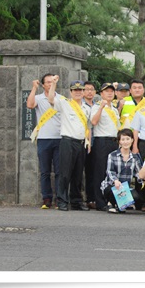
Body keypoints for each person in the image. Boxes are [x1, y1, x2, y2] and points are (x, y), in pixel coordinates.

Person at [46, 76, 92, 211]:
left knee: (78, 174)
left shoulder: (87, 108)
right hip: (67, 142)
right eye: (75, 90)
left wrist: (88, 141)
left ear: (83, 92)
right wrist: (53, 84)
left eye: (80, 90)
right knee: (65, 173)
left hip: (81, 143)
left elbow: (87, 126)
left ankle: (76, 201)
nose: (78, 92)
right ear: (70, 92)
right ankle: (62, 201)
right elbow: (50, 99)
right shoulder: (65, 103)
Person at [26, 73, 62, 209]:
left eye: (52, 81)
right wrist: (34, 88)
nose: (50, 84)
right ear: (43, 84)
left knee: (59, 171)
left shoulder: (61, 99)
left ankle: (60, 198)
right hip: (43, 138)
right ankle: (46, 198)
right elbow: (29, 105)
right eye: (47, 82)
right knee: (45, 171)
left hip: (59, 137)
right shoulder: (38, 98)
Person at [89, 83, 121, 211]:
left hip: (114, 142)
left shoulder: (113, 108)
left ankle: (111, 200)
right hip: (102, 141)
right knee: (100, 172)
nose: (109, 93)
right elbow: (93, 122)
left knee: (113, 172)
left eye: (111, 91)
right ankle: (100, 202)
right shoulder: (96, 106)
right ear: (101, 94)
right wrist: (101, 107)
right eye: (106, 91)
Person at [100, 128, 143, 213]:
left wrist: (144, 177)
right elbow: (110, 171)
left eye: (128, 139)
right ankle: (111, 203)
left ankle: (119, 204)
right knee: (111, 190)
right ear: (119, 141)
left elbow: (139, 174)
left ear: (132, 140)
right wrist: (115, 180)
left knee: (136, 196)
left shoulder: (135, 157)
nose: (125, 142)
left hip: (125, 188)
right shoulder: (112, 155)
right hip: (112, 185)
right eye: (123, 139)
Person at [83, 81, 97, 208]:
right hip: (82, 141)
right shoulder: (79, 105)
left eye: (92, 89)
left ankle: (92, 198)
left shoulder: (97, 106)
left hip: (95, 142)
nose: (89, 92)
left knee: (92, 171)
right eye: (86, 89)